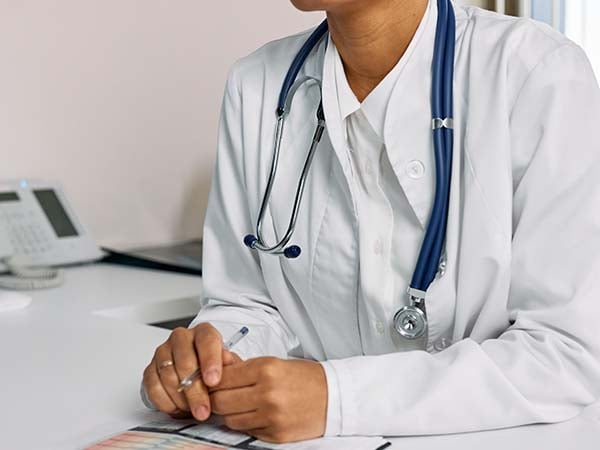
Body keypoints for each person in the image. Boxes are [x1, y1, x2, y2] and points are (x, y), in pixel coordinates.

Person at [142, 0, 600, 443]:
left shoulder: (538, 75)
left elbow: (563, 354)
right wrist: (211, 359)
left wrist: (336, 398)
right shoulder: (257, 85)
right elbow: (249, 304)